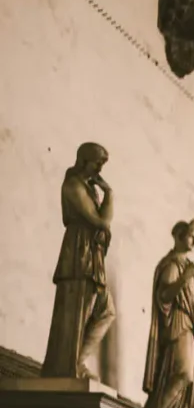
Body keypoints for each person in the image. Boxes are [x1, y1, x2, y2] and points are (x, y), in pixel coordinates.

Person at [42, 142, 115, 380]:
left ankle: (78, 361)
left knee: (105, 310)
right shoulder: (73, 185)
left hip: (92, 256)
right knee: (78, 311)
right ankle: (68, 367)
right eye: (97, 163)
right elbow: (100, 221)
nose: (99, 170)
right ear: (84, 160)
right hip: (79, 252)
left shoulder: (89, 187)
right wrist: (110, 194)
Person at [140, 219, 194, 408]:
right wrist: (184, 278)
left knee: (193, 372)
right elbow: (164, 295)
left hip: (191, 327)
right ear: (178, 236)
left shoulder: (186, 266)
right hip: (179, 325)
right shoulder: (172, 265)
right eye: (191, 236)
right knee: (184, 372)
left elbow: (191, 300)